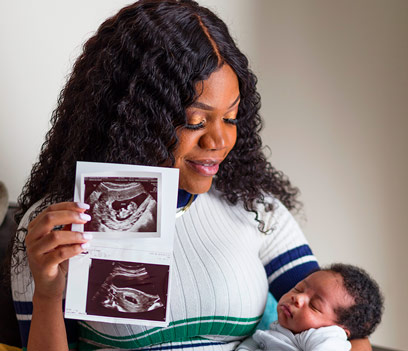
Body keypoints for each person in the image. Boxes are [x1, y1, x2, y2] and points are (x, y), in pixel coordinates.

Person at [8, 1, 371, 350]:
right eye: (195, 122)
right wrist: (48, 292)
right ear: (137, 120)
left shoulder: (255, 209)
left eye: (230, 118)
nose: (219, 140)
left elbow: (348, 332)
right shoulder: (55, 228)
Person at [237, 264, 383, 351]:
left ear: (338, 330)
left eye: (314, 305)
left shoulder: (321, 336)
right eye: (298, 288)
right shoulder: (277, 328)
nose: (297, 298)